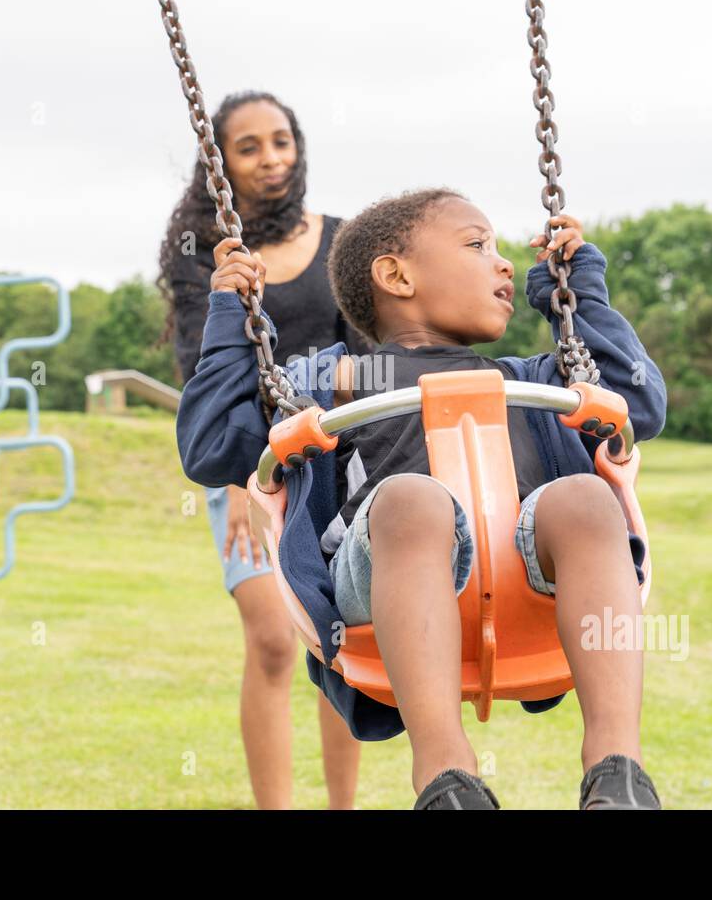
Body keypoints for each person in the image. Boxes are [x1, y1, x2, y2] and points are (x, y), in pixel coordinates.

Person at [177, 188, 668, 810]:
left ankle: (617, 772)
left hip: (527, 580)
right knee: (413, 499)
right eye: (476, 244)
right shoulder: (326, 384)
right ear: (395, 275)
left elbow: (637, 401)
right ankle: (445, 778)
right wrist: (231, 315)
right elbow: (213, 443)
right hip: (378, 589)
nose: (505, 263)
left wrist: (579, 293)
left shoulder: (530, 380)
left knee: (586, 499)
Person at [157, 90, 367, 809]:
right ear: (220, 161)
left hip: (338, 459)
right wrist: (244, 484)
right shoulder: (207, 253)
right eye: (249, 147)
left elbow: (366, 357)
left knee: (339, 637)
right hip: (252, 464)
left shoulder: (342, 239)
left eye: (281, 140)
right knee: (275, 639)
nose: (271, 157)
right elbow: (205, 370)